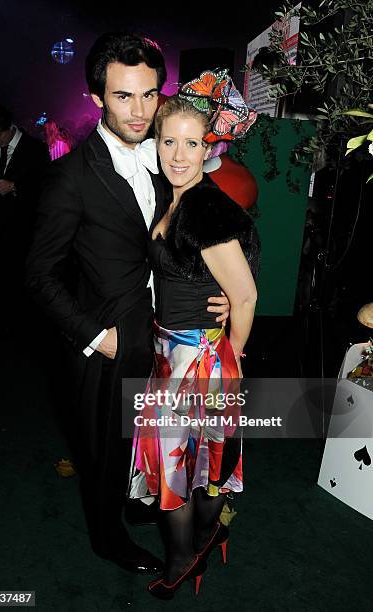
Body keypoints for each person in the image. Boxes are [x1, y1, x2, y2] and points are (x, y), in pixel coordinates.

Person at [25, 33, 230, 574]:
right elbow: (38, 274)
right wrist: (96, 336)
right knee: (103, 449)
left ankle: (136, 500)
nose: (140, 111)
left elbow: (187, 243)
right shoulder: (70, 179)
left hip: (168, 335)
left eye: (148, 95)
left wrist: (222, 299)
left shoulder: (170, 160)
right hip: (109, 343)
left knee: (148, 438)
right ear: (97, 99)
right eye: (123, 96)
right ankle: (105, 536)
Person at [127, 72, 260, 598]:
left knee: (180, 464)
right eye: (169, 141)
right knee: (196, 461)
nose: (179, 154)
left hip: (199, 361)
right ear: (156, 142)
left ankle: (185, 555)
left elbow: (245, 295)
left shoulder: (203, 206)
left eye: (192, 143)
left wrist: (234, 354)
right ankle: (209, 533)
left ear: (210, 148)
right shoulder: (176, 196)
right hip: (173, 354)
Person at [0, 105, 49, 335]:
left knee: (23, 284)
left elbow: (45, 189)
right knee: (1, 282)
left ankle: (26, 331)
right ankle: (5, 326)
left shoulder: (35, 149)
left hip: (24, 232)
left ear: (10, 128)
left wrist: (15, 187)